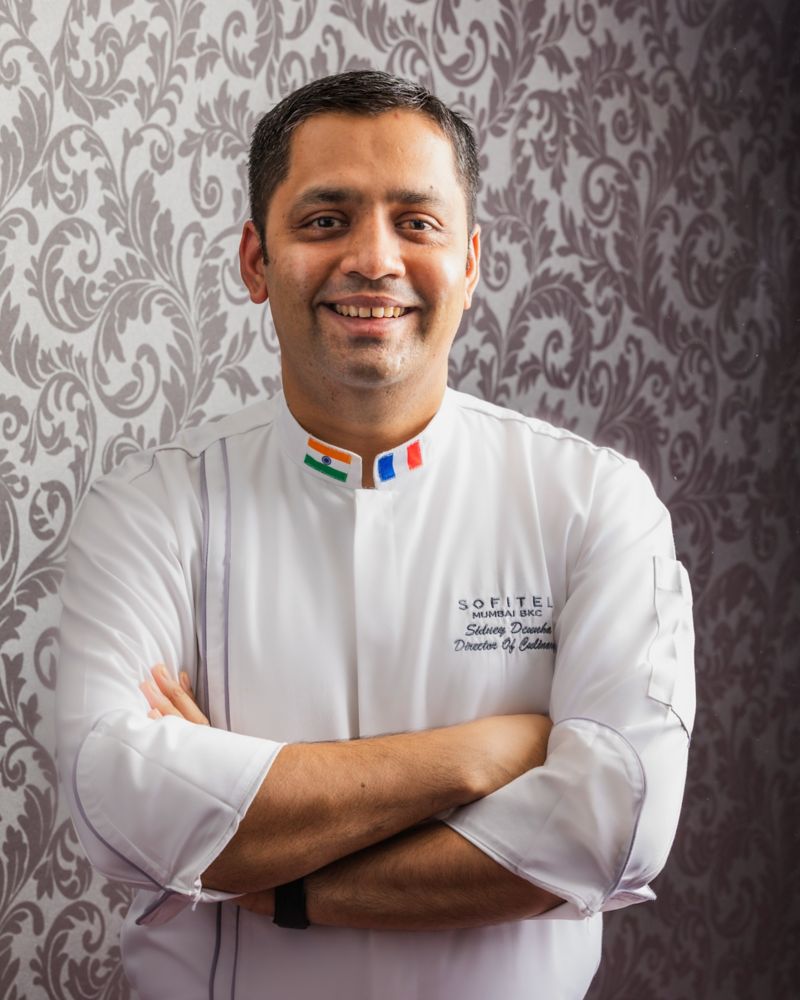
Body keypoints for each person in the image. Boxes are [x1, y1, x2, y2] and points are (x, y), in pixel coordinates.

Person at [56, 71, 695, 999]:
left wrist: (273, 884)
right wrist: (480, 756)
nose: (373, 259)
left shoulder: (595, 502)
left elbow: (614, 831)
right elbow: (117, 804)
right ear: (255, 261)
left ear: (469, 263)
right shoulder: (149, 507)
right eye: (326, 220)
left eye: (416, 222)